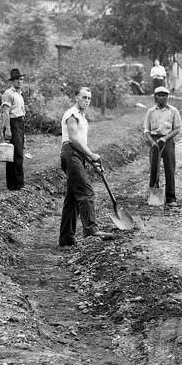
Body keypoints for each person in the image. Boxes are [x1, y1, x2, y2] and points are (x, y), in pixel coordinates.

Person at [59, 86, 113, 246]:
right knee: (86, 192)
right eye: (84, 97)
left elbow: (81, 145)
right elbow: (74, 140)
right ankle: (91, 229)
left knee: (72, 198)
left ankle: (66, 237)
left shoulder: (82, 117)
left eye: (89, 98)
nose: (87, 101)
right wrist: (91, 154)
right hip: (70, 153)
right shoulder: (72, 115)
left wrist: (92, 161)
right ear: (76, 97)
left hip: (77, 154)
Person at [144, 86, 182, 207]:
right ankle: (154, 196)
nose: (162, 98)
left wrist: (165, 138)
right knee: (154, 169)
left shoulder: (173, 111)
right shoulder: (150, 111)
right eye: (159, 95)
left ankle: (171, 198)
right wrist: (152, 142)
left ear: (167, 97)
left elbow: (177, 129)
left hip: (168, 140)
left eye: (164, 95)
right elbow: (146, 130)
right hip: (155, 141)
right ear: (155, 97)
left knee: (169, 168)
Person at [0, 68, 27, 191]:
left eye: (21, 79)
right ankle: (16, 185)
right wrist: (8, 129)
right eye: (17, 79)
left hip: (20, 123)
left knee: (18, 152)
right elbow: (5, 112)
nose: (20, 81)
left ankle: (16, 184)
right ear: (13, 81)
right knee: (15, 154)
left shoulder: (19, 94)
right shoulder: (8, 93)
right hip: (13, 122)